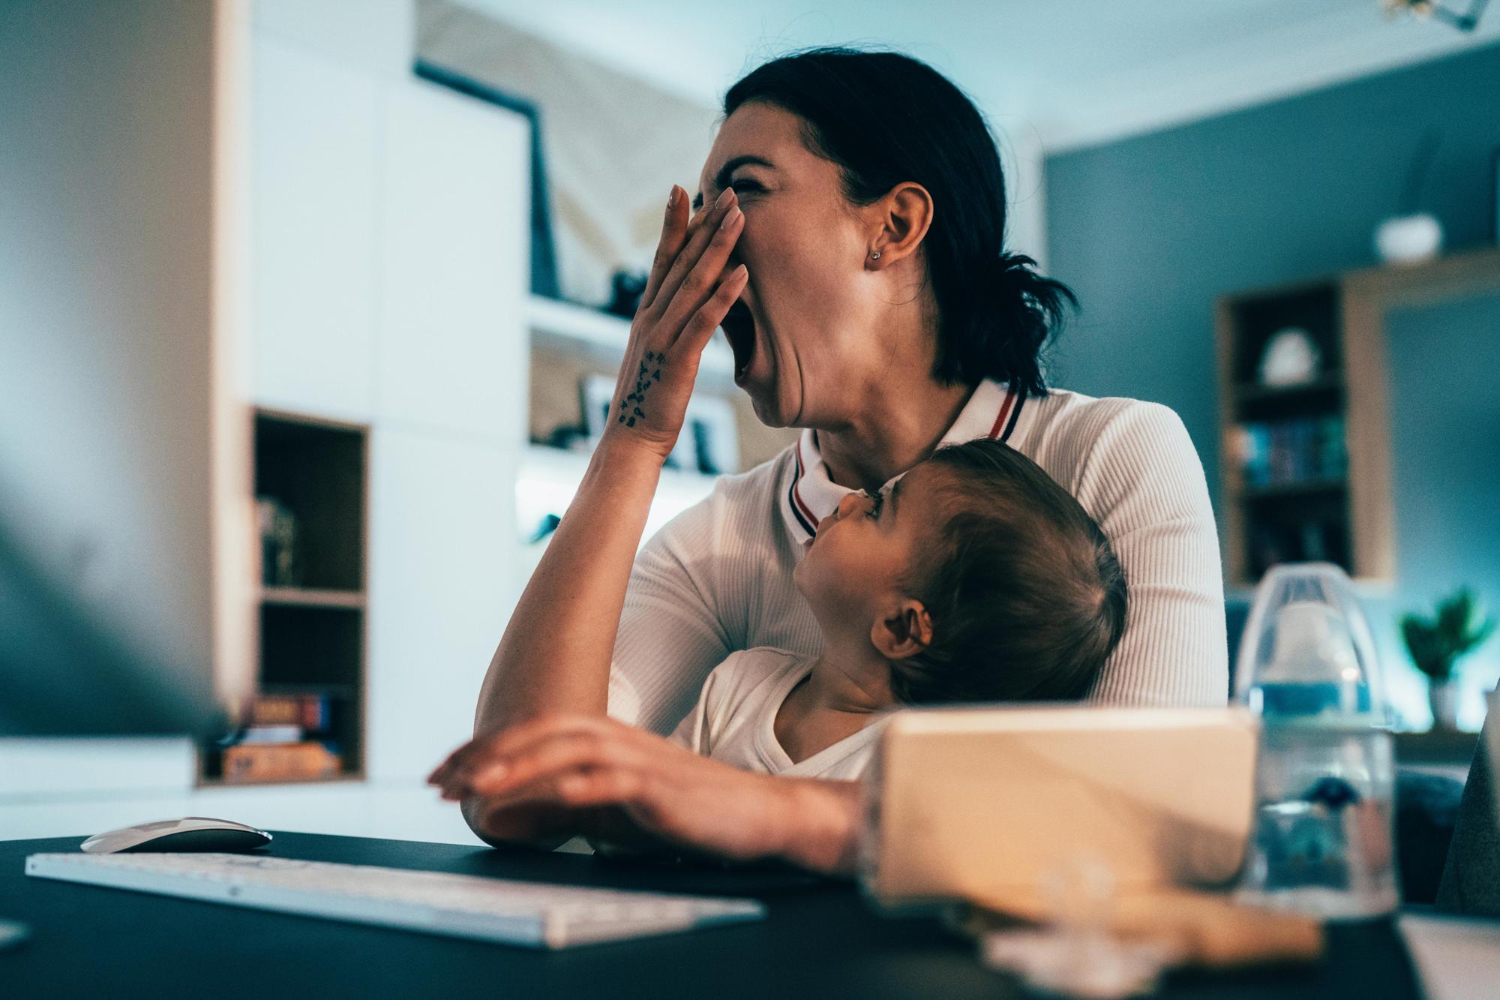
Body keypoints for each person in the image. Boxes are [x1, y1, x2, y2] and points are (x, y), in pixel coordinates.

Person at [430, 47, 1227, 873]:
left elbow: (1157, 817)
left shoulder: (1114, 454)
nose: (699, 244)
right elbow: (511, 794)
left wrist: (768, 811)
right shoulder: (721, 540)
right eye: (700, 207)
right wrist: (631, 440)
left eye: (741, 191)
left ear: (893, 226)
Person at [667, 438, 1127, 780]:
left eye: (876, 511)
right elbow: (636, 821)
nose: (849, 500)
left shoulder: (917, 772)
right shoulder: (737, 684)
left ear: (900, 629)